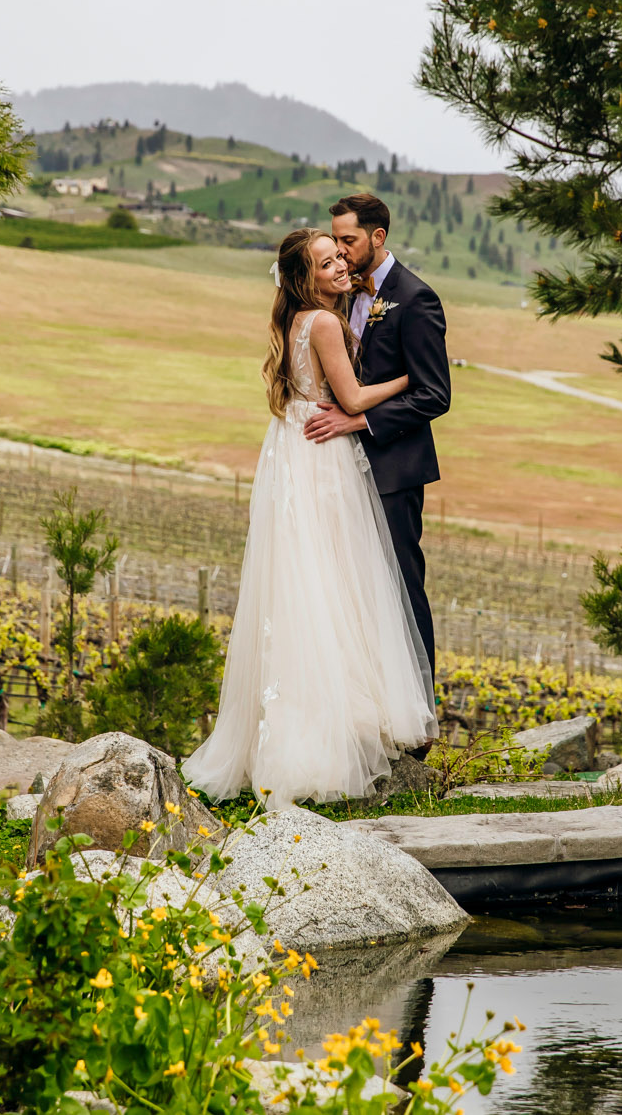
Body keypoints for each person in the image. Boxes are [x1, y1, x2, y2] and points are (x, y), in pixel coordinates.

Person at [182, 228, 439, 807]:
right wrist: (408, 379)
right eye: (327, 263)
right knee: (334, 578)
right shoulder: (324, 323)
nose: (341, 266)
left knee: (303, 581)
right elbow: (351, 400)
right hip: (322, 457)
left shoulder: (298, 317)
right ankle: (333, 729)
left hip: (291, 447)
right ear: (307, 278)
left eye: (339, 255)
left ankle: (303, 724)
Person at [307, 193, 451, 693]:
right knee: (353, 590)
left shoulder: (416, 299)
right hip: (342, 471)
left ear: (378, 236)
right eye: (337, 243)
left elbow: (435, 395)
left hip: (394, 469)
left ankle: (419, 719)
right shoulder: (342, 293)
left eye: (348, 241)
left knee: (402, 590)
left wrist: (360, 423)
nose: (342, 254)